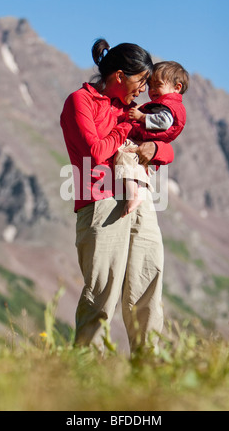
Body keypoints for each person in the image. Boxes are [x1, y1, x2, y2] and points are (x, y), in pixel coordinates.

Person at [60, 38, 174, 353]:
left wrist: (155, 147)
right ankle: (88, 370)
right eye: (140, 81)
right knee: (102, 292)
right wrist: (125, 128)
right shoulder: (80, 101)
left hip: (141, 198)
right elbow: (96, 152)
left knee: (148, 282)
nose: (143, 89)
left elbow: (166, 148)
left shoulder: (131, 109)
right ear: (120, 75)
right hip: (100, 200)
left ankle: (148, 367)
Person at [115, 61, 189, 218]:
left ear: (177, 87)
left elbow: (164, 122)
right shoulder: (164, 105)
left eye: (158, 85)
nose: (152, 89)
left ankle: (133, 193)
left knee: (123, 153)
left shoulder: (167, 107)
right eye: (150, 86)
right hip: (146, 145)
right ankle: (138, 192)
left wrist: (141, 117)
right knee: (140, 168)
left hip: (142, 142)